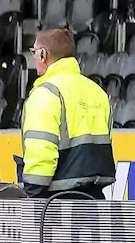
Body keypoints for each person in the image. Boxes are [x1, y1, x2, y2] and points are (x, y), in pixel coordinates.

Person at [19, 29, 116, 200]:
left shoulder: (46, 93)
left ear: (43, 54)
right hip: (94, 200)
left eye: (34, 52)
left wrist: (32, 198)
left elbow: (41, 152)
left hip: (56, 203)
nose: (33, 57)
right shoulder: (97, 92)